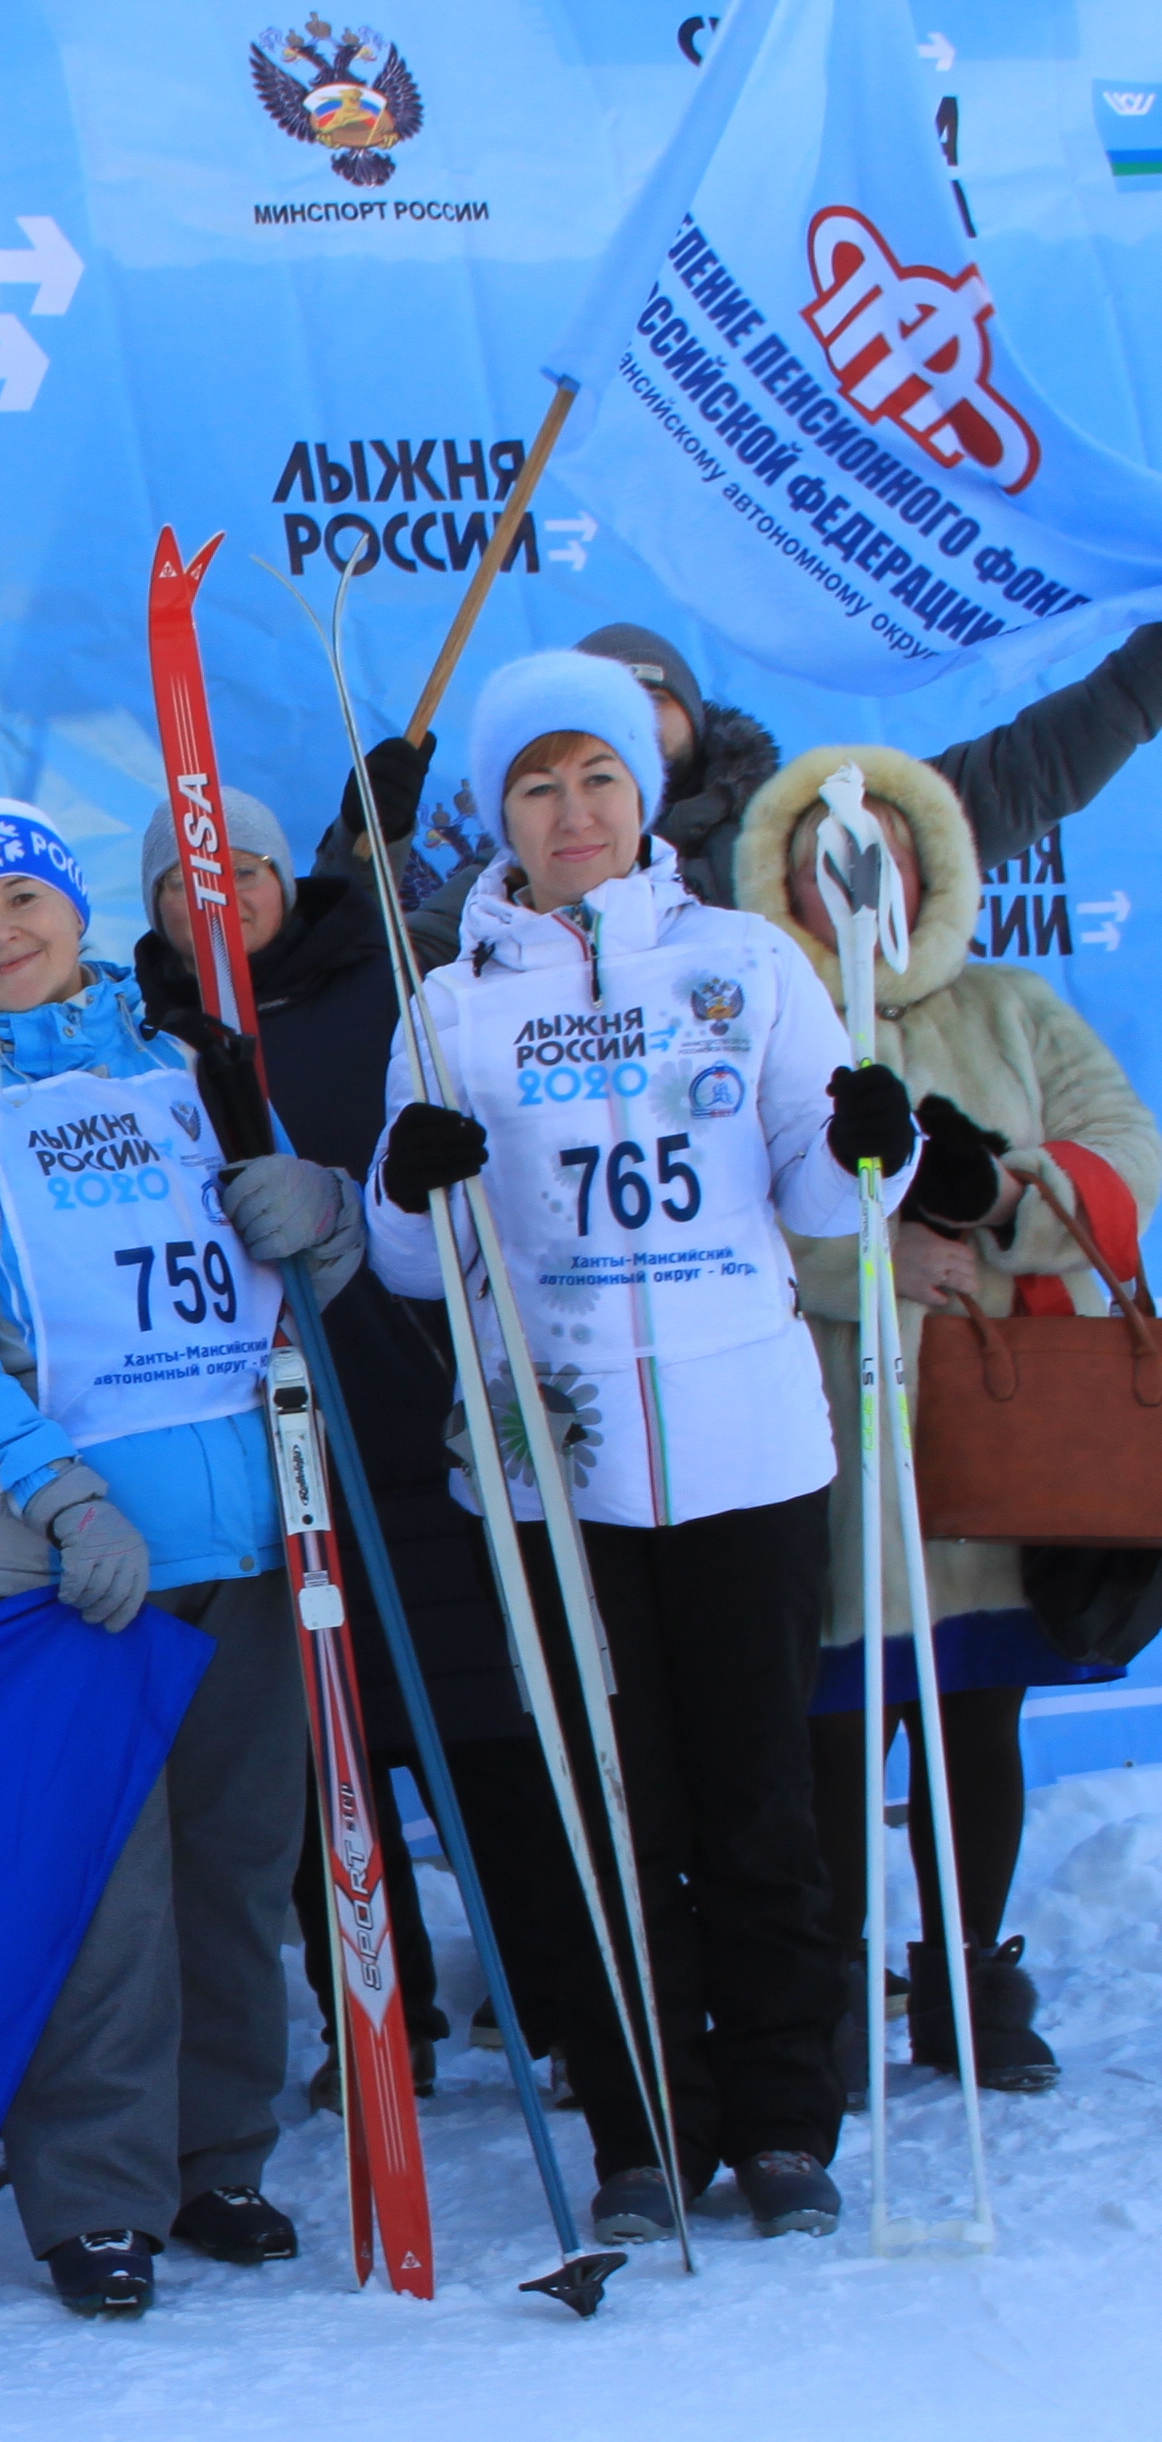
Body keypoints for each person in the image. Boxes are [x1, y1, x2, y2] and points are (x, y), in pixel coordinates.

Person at [366, 652, 920, 2242]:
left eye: (597, 776)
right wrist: (418, 1177)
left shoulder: (744, 961)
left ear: (643, 792)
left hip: (747, 1445)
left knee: (759, 1798)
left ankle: (785, 2122)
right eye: (537, 786)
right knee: (612, 1807)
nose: (572, 810)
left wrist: (879, 1141)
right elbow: (418, 1265)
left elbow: (824, 1191)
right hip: (562, 1469)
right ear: (500, 813)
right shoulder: (455, 1006)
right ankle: (644, 2130)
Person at [0, 799, 370, 2317]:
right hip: (66, 1571)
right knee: (95, 1897)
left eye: (25, 900)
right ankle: (97, 2196)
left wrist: (320, 1217)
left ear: (74, 910)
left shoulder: (187, 1069)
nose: (5, 935)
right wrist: (58, 1497)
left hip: (248, 1542)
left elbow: (279, 1275)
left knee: (234, 1874)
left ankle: (219, 2160)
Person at [739, 739, 1162, 2100]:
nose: (852, 884)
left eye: (878, 857)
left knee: (976, 1714)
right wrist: (848, 1271)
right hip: (815, 1429)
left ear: (930, 867)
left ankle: (971, 1974)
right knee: (830, 1726)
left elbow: (1127, 1161)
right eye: (814, 864)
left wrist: (987, 1210)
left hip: (988, 1430)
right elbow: (719, 1213)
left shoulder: (1014, 1006)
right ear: (782, 883)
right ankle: (840, 1979)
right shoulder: (751, 1019)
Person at [122, 782, 464, 2102]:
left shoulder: (381, 990)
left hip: (398, 1390)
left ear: (281, 873)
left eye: (241, 871)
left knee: (461, 1707)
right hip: (260, 1421)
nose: (216, 900)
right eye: (181, 888)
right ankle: (385, 2007)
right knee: (319, 1745)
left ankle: (546, 1987)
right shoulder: (140, 1036)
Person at [359, 616, 1162, 968]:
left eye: (654, 701)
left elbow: (992, 787)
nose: (633, 722)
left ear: (696, 722)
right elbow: (377, 979)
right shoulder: (508, 887)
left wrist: (1133, 691)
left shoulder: (787, 837)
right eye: (604, 711)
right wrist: (368, 843)